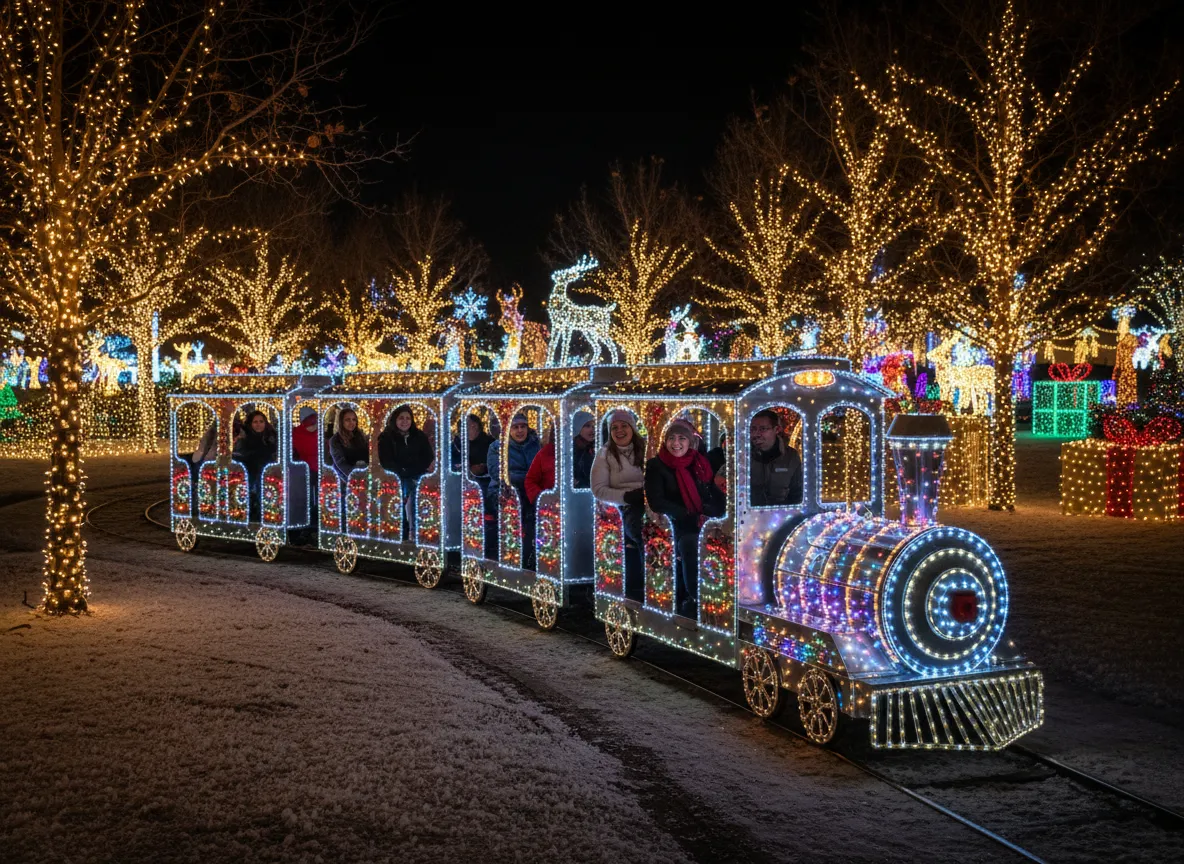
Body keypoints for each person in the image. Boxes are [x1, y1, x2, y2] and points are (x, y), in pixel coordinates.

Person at [645, 419, 726, 619]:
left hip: (702, 519)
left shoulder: (699, 463)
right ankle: (695, 597)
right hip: (674, 523)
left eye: (682, 438)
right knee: (690, 543)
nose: (676, 443)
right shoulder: (656, 465)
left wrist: (715, 511)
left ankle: (720, 594)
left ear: (690, 442)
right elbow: (657, 502)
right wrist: (690, 514)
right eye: (671, 438)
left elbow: (709, 492)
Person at [591, 410, 646, 601]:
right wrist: (627, 497)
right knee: (641, 530)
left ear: (632, 428)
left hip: (647, 501)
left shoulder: (645, 448)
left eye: (624, 426)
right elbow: (598, 489)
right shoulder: (605, 454)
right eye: (614, 428)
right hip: (622, 507)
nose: (619, 431)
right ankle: (644, 585)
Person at [487, 412, 541, 569]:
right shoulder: (496, 447)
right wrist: (529, 478)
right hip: (504, 489)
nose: (519, 431)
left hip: (530, 488)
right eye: (515, 427)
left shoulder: (535, 444)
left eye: (523, 426)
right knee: (512, 503)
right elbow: (499, 473)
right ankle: (511, 552)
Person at [378, 404, 434, 540]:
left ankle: (422, 531)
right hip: (397, 477)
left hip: (418, 475)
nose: (404, 421)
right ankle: (402, 532)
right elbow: (387, 461)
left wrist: (418, 471)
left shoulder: (419, 435)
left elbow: (428, 457)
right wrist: (404, 472)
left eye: (408, 418)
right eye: (401, 418)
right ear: (395, 420)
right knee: (403, 491)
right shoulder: (386, 437)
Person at [524, 411, 595, 503]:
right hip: (552, 504)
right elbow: (531, 480)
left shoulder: (589, 451)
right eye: (587, 426)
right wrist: (542, 498)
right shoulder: (547, 451)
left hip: (581, 501)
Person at [748, 409, 802, 506]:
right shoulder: (741, 454)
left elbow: (798, 492)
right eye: (753, 429)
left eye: (762, 429)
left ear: (776, 429)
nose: (756, 434)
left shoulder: (791, 457)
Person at [233, 409, 278, 522]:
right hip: (250, 469)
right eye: (255, 422)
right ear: (250, 424)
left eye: (261, 421)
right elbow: (240, 454)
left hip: (268, 470)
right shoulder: (245, 438)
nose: (258, 425)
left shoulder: (271, 436)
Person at [290, 407, 320, 543]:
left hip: (319, 470)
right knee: (305, 500)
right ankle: (303, 528)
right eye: (310, 423)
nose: (313, 426)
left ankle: (314, 527)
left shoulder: (319, 434)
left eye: (315, 422)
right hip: (303, 471)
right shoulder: (295, 434)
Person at [329, 407, 369, 480]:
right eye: (347, 420)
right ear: (342, 422)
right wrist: (354, 477)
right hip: (345, 477)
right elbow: (340, 463)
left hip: (364, 473)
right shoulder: (335, 440)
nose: (351, 422)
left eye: (354, 420)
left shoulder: (360, 436)